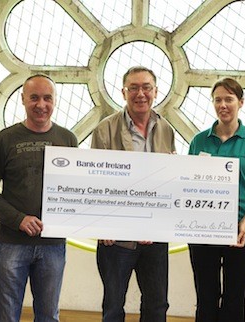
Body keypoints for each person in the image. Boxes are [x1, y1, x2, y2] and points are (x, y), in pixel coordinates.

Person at [0, 74, 78, 322]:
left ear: (55, 101)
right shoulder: (6, 139)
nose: (40, 104)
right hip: (11, 243)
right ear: (23, 99)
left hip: (53, 245)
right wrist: (18, 219)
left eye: (47, 98)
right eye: (34, 98)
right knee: (6, 315)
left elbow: (77, 189)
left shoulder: (68, 140)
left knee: (48, 315)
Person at [91, 66, 175, 322]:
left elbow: (168, 182)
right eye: (134, 88)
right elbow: (95, 183)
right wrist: (103, 225)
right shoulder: (104, 130)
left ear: (156, 91)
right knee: (114, 307)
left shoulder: (166, 129)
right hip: (117, 239)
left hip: (155, 238)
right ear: (123, 92)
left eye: (146, 87)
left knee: (157, 306)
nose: (141, 94)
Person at [188, 77, 245, 322]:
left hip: (243, 232)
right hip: (203, 231)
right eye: (218, 100)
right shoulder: (199, 141)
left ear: (241, 103)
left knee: (235, 298)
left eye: (229, 99)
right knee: (206, 297)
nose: (223, 105)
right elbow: (190, 186)